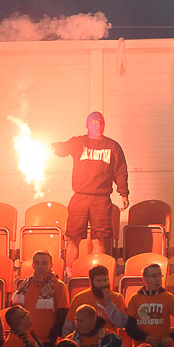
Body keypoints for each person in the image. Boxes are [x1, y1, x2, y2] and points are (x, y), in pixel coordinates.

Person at [53, 111, 129, 278]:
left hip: (101, 199)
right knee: (73, 238)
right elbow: (62, 149)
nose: (98, 124)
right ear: (87, 125)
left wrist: (123, 194)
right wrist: (52, 147)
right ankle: (70, 276)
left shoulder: (113, 146)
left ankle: (98, 277)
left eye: (101, 122)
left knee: (98, 239)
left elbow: (120, 171)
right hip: (80, 197)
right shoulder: (79, 142)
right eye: (94, 122)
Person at [11, 250, 70, 347]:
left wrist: (53, 337)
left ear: (51, 265)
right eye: (37, 263)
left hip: (48, 341)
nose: (40, 266)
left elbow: (63, 314)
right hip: (26, 340)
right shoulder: (24, 286)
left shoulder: (59, 286)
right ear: (33, 265)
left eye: (44, 263)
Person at [125, 264, 174, 347]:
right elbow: (129, 326)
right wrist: (145, 338)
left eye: (159, 275)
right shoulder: (135, 299)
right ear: (144, 279)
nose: (158, 279)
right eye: (153, 276)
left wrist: (172, 337)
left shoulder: (168, 297)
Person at [63, 264, 127, 337]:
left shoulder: (117, 298)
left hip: (108, 343)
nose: (103, 284)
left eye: (105, 280)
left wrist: (109, 303)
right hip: (85, 343)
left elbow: (121, 323)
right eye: (98, 281)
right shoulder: (80, 298)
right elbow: (69, 327)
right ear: (91, 282)